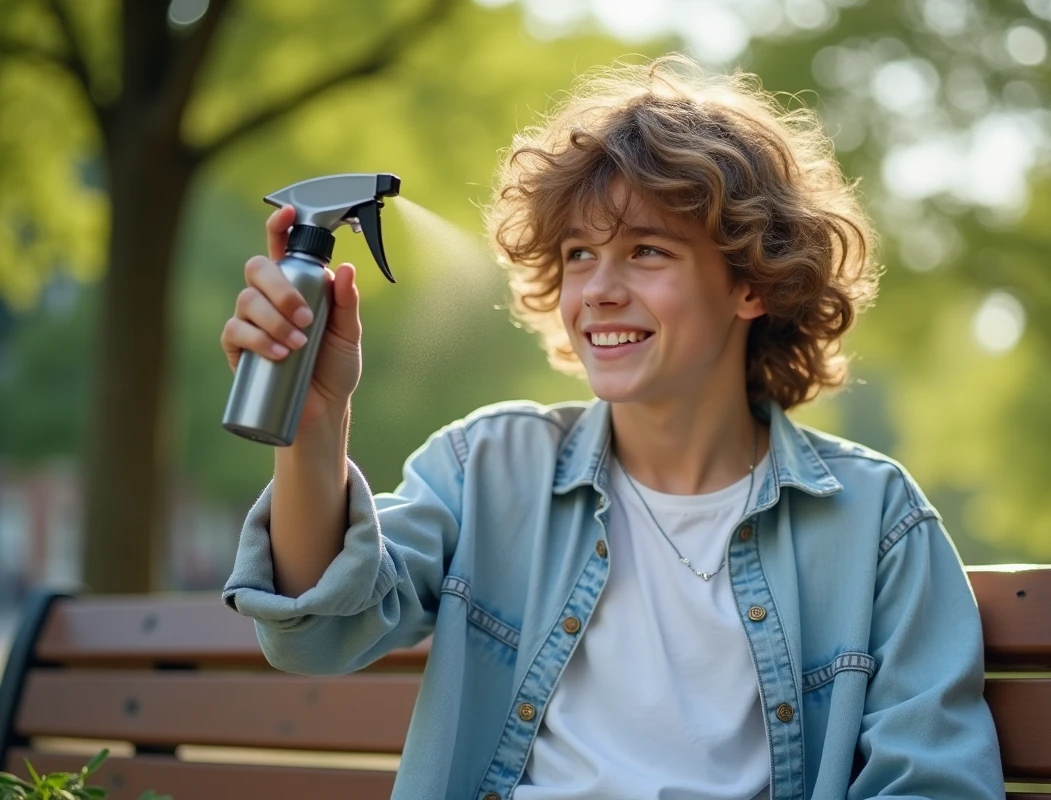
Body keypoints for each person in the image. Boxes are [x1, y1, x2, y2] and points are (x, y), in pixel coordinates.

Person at [220, 55, 1005, 800]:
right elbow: (312, 637)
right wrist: (315, 426)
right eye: (579, 254)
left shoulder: (875, 523)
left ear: (751, 284)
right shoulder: (488, 467)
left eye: (646, 251)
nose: (597, 289)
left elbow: (932, 780)